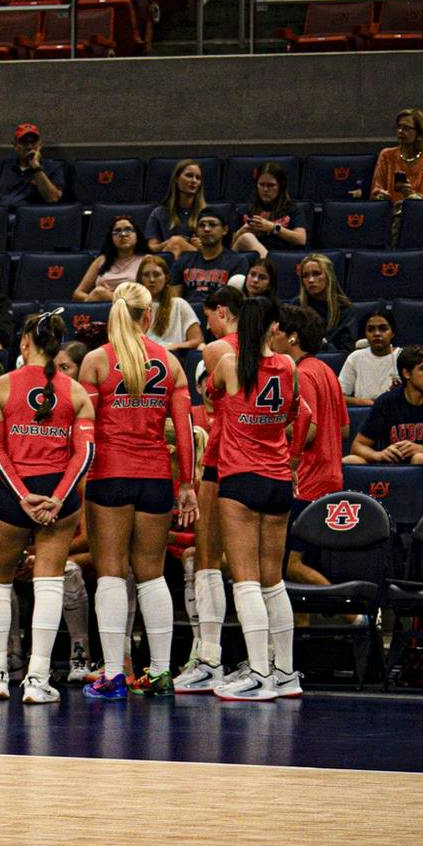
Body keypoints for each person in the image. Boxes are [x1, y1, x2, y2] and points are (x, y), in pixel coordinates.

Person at [78, 282, 198, 699]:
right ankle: (162, 673)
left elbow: (86, 431)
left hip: (109, 475)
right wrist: (187, 483)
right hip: (155, 478)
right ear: (148, 316)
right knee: (151, 575)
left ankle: (113, 675)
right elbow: (184, 429)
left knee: (110, 573)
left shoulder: (96, 361)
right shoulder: (170, 362)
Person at [0, 311, 94, 704]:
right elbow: (84, 455)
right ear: (57, 346)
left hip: (17, 494)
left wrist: (21, 495)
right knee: (49, 579)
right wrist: (59, 498)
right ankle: (37, 678)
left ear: (25, 343)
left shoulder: (0, 385)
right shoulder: (77, 392)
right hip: (56, 496)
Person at [208, 296, 308, 701]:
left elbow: (210, 392)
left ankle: (260, 674)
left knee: (245, 580)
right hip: (278, 478)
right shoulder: (288, 366)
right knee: (274, 580)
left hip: (240, 479)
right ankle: (285, 673)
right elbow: (291, 415)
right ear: (272, 328)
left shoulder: (231, 364)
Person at [174, 283, 244, 694]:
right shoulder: (269, 353)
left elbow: (217, 404)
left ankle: (209, 658)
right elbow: (298, 415)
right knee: (256, 573)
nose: (206, 326)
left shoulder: (216, 351)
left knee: (206, 558)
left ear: (222, 312)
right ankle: (267, 663)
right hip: (259, 461)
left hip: (223, 458)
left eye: (208, 317)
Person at [276, 304, 347, 586]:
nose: (273, 337)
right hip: (329, 479)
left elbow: (308, 431)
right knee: (298, 567)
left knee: (290, 565)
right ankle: (299, 628)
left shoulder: (301, 373)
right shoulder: (326, 370)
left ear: (292, 337)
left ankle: (356, 617)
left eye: (278, 331)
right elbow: (343, 428)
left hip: (306, 482)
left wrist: (271, 425)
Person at [345, 345, 423, 487]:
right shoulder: (387, 401)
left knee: (420, 459)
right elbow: (358, 445)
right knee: (350, 461)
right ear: (406, 373)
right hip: (394, 468)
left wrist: (421, 448)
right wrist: (379, 455)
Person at [0, 122, 67, 207]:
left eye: (33, 142)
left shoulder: (53, 167)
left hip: (31, 218)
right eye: (24, 142)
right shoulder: (2, 166)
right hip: (2, 216)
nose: (29, 146)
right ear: (15, 145)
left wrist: (36, 168)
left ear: (40, 144)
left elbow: (53, 199)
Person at [173, 209, 248, 309]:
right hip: (187, 315)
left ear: (225, 230)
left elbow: (234, 302)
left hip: (220, 314)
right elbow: (175, 301)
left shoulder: (238, 261)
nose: (206, 229)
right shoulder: (183, 261)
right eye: (201, 225)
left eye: (212, 225)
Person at [370, 108, 423, 202]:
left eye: (406, 128)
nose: (400, 131)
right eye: (399, 127)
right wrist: (381, 196)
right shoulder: (386, 155)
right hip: (390, 211)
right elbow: (375, 190)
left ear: (420, 134)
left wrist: (412, 195)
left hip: (420, 212)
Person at [233, 162, 307, 254]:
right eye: (261, 184)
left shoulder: (292, 209)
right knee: (246, 238)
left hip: (281, 255)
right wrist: (241, 231)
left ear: (281, 186)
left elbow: (300, 239)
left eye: (270, 185)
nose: (265, 190)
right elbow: (231, 246)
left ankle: (267, 264)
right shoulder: (245, 210)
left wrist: (272, 228)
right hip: (249, 257)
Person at [73, 214, 144, 302]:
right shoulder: (102, 260)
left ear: (137, 235)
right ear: (111, 238)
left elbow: (150, 294)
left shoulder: (145, 260)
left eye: (128, 229)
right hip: (100, 309)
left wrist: (107, 295)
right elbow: (78, 293)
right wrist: (93, 297)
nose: (123, 234)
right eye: (117, 231)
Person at [294, 252, 356, 352]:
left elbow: (345, 349)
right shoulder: (295, 307)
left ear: (329, 276)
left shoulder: (344, 308)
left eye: (316, 274)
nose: (310, 280)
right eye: (305, 275)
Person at [338, 309, 399, 407]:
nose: (377, 334)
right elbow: (339, 396)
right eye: (371, 329)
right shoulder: (355, 357)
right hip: (365, 413)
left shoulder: (404, 356)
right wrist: (364, 403)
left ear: (393, 332)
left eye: (383, 329)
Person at [138, 256, 201, 350]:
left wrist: (174, 346)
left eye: (157, 275)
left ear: (166, 278)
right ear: (140, 279)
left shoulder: (180, 304)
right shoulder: (133, 306)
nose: (151, 280)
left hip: (171, 355)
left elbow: (197, 340)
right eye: (146, 275)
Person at [145, 158, 206, 255]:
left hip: (200, 261)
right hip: (169, 256)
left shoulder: (207, 213)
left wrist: (202, 245)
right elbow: (152, 247)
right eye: (189, 176)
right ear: (177, 179)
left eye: (198, 178)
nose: (194, 181)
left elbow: (217, 249)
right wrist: (170, 243)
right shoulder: (159, 213)